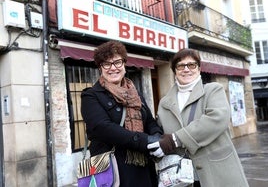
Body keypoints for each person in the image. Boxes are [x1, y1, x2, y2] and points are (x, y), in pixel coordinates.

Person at [148, 48, 249, 187]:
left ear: (199, 69)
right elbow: (162, 132)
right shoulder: (164, 103)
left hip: (216, 172)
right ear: (175, 71)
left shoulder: (213, 90)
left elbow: (217, 118)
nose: (186, 69)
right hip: (182, 176)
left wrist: (176, 139)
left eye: (191, 65)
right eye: (181, 66)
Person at [81, 40, 163, 187]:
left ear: (124, 64)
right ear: (101, 68)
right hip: (112, 169)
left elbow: (149, 121)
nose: (113, 68)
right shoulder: (91, 95)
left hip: (143, 166)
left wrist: (156, 135)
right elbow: (103, 127)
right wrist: (146, 140)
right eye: (106, 64)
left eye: (117, 62)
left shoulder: (135, 93)